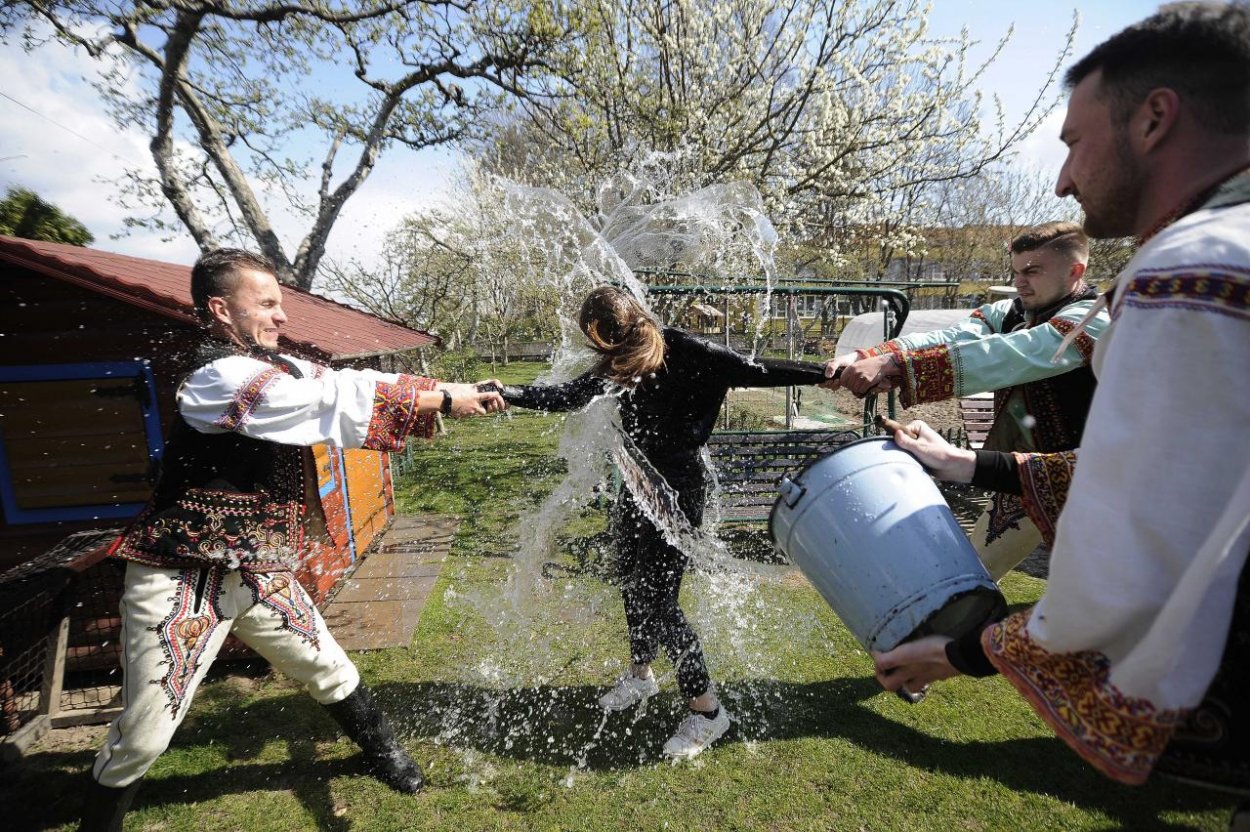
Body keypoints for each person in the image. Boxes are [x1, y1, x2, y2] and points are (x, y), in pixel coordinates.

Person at [871, 3, 1250, 823]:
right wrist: (965, 460)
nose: (1063, 177)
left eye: (1075, 141)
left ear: (1155, 117)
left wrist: (968, 654)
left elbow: (1134, 540)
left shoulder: (1189, 272)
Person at [77, 249, 506, 831]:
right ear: (221, 310)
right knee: (146, 733)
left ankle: (383, 753)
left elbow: (348, 381)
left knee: (326, 665)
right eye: (268, 304)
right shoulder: (214, 378)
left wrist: (453, 387)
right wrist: (443, 401)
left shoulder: (276, 366)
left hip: (254, 569)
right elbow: (316, 404)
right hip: (181, 575)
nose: (282, 318)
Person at [504, 285, 826, 759]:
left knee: (659, 600)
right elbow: (568, 395)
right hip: (636, 486)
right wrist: (506, 392)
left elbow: (754, 370)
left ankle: (708, 712)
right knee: (632, 584)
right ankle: (641, 675)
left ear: (605, 332)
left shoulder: (687, 350)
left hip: (678, 492)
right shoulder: (620, 362)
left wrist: (827, 373)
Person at [821, 222, 1108, 580]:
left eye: (1033, 271)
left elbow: (1009, 355)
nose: (1020, 281)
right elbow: (951, 337)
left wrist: (896, 367)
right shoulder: (1010, 313)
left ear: (1074, 271)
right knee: (972, 576)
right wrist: (869, 355)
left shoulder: (1095, 320)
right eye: (1017, 271)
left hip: (1101, 484)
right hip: (1027, 476)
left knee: (1105, 600)